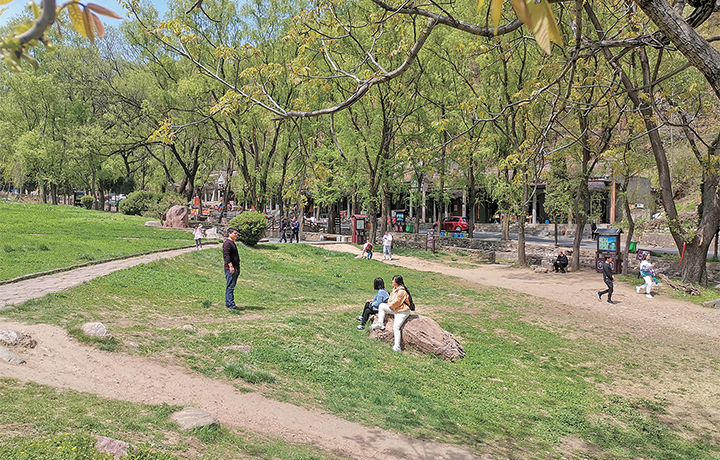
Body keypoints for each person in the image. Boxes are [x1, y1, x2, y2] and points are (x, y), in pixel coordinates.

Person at [371, 275, 413, 352]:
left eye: (393, 280)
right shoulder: (395, 289)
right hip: (395, 309)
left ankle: (397, 347)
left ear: (397, 282)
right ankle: (380, 324)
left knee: (396, 327)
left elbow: (397, 302)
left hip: (402, 311)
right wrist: (389, 304)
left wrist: (390, 305)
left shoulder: (402, 291)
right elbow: (390, 299)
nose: (392, 282)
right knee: (381, 306)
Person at [223, 227, 240, 310]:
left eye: (237, 234)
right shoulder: (227, 243)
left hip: (236, 267)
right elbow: (226, 256)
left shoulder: (232, 243)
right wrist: (231, 266)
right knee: (230, 286)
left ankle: (228, 303)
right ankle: (231, 304)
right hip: (230, 268)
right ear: (229, 234)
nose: (236, 235)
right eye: (234, 233)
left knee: (231, 286)